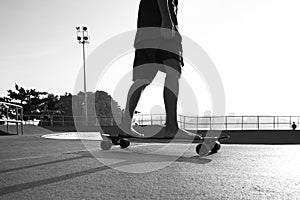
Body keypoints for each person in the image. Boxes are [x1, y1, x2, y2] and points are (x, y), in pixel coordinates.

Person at [119, 0, 201, 139]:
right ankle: (171, 128)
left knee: (142, 80)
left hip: (145, 34)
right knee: (173, 72)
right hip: (163, 33)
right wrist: (166, 18)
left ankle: (126, 125)